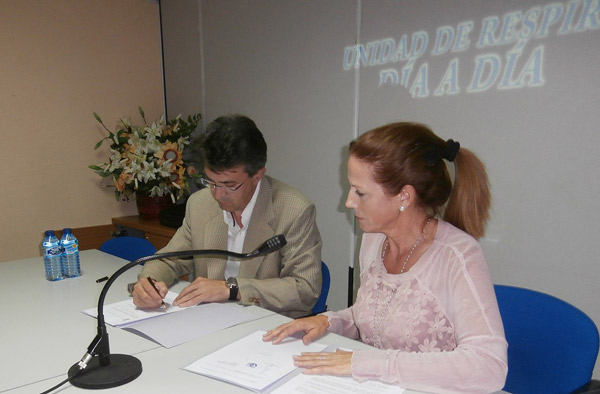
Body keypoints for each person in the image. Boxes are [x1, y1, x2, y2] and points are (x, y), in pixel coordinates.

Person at [263, 122, 508, 393]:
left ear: (404, 196)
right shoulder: (374, 240)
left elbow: (489, 367)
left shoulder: (457, 255)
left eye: (360, 192)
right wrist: (329, 321)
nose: (348, 202)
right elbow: (375, 317)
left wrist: (368, 364)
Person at [132, 114, 322, 318]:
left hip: (270, 326)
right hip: (211, 322)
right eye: (211, 181)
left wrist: (231, 289)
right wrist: (149, 283)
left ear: (258, 175)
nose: (217, 194)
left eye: (230, 185)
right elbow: (169, 259)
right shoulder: (200, 204)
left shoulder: (294, 210)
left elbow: (305, 288)